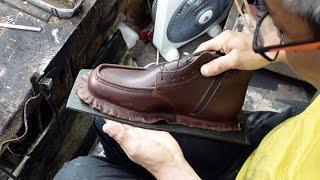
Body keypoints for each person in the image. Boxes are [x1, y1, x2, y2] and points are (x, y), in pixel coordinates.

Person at [55, 0, 320, 179]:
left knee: (77, 174)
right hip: (276, 145)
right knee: (107, 118)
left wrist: (171, 169)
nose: (263, 31)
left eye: (280, 28)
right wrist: (273, 50)